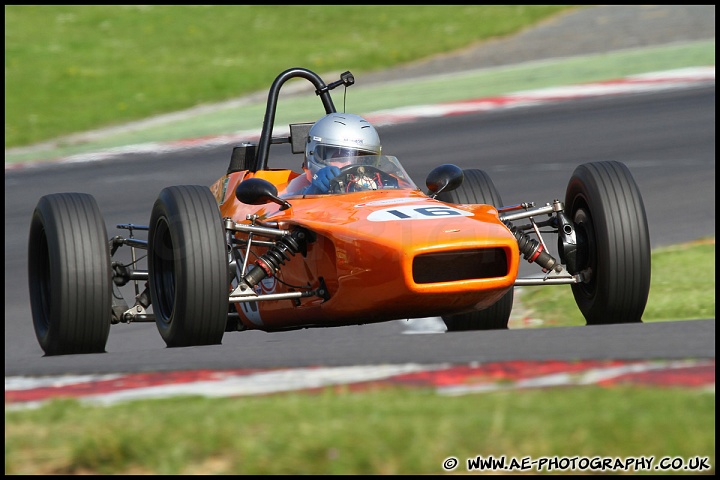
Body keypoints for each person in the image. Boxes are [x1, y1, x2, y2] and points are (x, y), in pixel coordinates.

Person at [283, 112, 382, 195]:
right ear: (317, 156)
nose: (350, 164)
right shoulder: (295, 189)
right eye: (340, 157)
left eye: (361, 159)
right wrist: (313, 192)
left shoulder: (383, 183)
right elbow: (279, 206)